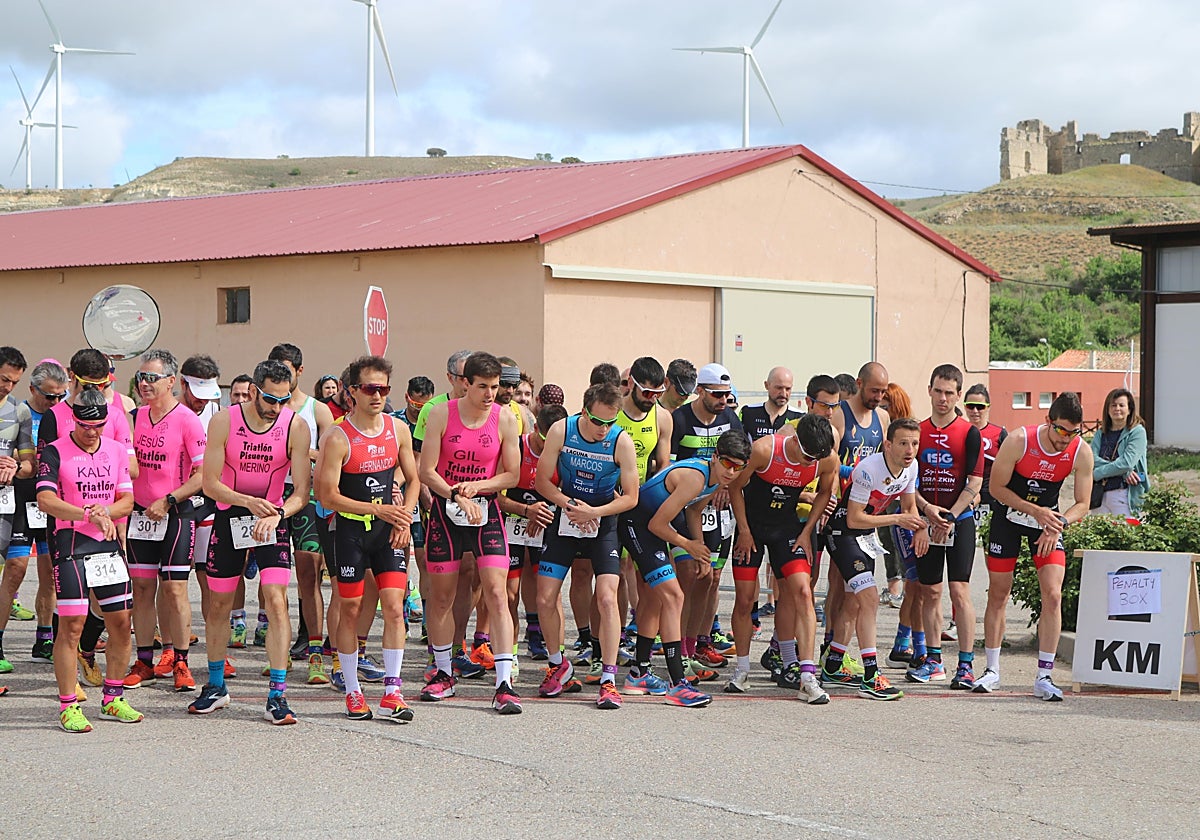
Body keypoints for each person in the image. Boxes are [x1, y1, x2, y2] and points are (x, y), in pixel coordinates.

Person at [188, 360, 312, 723]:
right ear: (254, 391)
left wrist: (278, 513)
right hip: (231, 515)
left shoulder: (296, 426)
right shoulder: (225, 421)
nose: (276, 408)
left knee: (276, 601)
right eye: (270, 399)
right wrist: (246, 502)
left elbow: (302, 491)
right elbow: (210, 482)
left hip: (272, 518)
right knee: (218, 606)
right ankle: (215, 685)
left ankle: (277, 694)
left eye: (284, 400)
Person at [314, 355, 420, 722]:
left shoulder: (398, 429)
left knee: (394, 607)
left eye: (384, 389)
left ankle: (392, 691)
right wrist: (378, 511)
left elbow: (414, 478)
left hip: (388, 531)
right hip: (351, 532)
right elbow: (327, 496)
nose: (377, 396)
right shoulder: (338, 437)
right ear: (352, 392)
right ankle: (353, 689)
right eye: (370, 389)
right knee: (352, 610)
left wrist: (403, 516)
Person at [417, 352, 522, 713]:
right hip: (447, 513)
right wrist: (455, 495)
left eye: (495, 387)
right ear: (465, 383)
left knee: (496, 592)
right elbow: (426, 470)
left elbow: (512, 474)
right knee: (442, 598)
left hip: (486, 511)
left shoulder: (505, 419)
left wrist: (476, 488)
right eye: (483, 387)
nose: (491, 394)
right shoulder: (441, 415)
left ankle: (505, 683)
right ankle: (444, 673)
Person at [618, 430, 751, 706]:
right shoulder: (696, 478)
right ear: (715, 457)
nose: (731, 472)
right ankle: (677, 683)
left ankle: (638, 672)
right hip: (638, 525)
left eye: (739, 468)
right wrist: (689, 546)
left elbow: (693, 512)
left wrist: (700, 550)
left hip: (650, 526)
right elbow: (657, 524)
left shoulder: (714, 479)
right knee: (674, 596)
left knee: (655, 599)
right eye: (727, 463)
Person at [36, 388, 143, 731]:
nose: (92, 432)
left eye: (98, 425)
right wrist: (87, 514)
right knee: (72, 627)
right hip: (70, 544)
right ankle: (68, 705)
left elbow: (127, 500)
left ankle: (112, 699)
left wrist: (106, 512)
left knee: (122, 624)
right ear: (75, 421)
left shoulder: (114, 451)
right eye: (85, 426)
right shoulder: (55, 452)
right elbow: (46, 501)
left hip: (106, 545)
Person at [977, 392, 1093, 701]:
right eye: (1060, 431)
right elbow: (996, 488)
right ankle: (992, 670)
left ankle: (1044, 675)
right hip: (1009, 517)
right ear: (1048, 421)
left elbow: (1083, 504)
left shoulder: (1081, 452)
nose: (1065, 439)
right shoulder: (1018, 440)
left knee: (1053, 595)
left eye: (1073, 432)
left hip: (1048, 525)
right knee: (999, 591)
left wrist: (1058, 523)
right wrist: (1036, 512)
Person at [534, 382, 640, 709]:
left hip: (602, 519)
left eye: (611, 422)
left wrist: (593, 512)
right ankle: (558, 665)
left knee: (607, 598)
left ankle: (608, 679)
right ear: (584, 411)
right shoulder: (560, 430)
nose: (603, 430)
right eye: (598, 422)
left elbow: (631, 498)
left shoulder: (620, 441)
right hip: (567, 514)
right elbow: (542, 482)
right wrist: (571, 505)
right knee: (545, 596)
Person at [729, 412, 838, 703]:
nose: (810, 463)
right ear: (795, 441)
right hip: (752, 526)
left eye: (815, 459)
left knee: (803, 592)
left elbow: (826, 492)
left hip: (787, 528)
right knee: (745, 598)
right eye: (806, 457)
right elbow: (735, 486)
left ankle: (806, 674)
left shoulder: (826, 459)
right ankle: (741, 670)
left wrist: (807, 531)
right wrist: (743, 530)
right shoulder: (765, 449)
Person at [822, 418, 927, 700]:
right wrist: (897, 519)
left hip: (866, 535)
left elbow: (909, 506)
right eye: (903, 443)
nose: (909, 450)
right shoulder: (869, 469)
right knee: (868, 596)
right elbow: (855, 518)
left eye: (914, 444)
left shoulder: (911, 467)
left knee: (855, 602)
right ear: (888, 445)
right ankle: (871, 675)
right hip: (843, 531)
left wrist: (920, 528)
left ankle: (832, 666)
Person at [122, 350, 207, 693]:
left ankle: (182, 662)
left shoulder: (187, 419)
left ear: (172, 381)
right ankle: (143, 659)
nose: (144, 383)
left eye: (152, 378)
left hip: (174, 512)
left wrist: (169, 499)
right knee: (141, 589)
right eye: (140, 377)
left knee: (174, 589)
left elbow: (203, 475)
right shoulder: (134, 416)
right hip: (140, 513)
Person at [905, 364, 983, 690]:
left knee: (959, 592)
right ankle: (933, 660)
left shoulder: (969, 432)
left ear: (958, 395)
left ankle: (965, 665)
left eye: (950, 393)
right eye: (938, 391)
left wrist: (949, 516)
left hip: (958, 521)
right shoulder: (917, 432)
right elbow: (907, 482)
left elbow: (975, 482)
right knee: (929, 592)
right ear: (929, 390)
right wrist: (926, 512)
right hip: (925, 521)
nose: (943, 398)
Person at [267, 343, 335, 686]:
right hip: (272, 499)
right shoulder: (264, 408)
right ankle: (279, 653)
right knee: (273, 582)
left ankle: (315, 654)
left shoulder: (317, 410)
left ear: (300, 371)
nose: (282, 374)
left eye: (287, 369)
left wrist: (300, 449)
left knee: (309, 577)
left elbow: (330, 456)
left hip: (306, 498)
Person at [671, 363, 744, 680]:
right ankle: (679, 652)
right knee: (687, 575)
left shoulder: (730, 418)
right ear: (699, 390)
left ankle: (696, 644)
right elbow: (669, 466)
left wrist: (726, 486)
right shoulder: (680, 419)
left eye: (727, 394)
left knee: (710, 578)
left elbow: (741, 459)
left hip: (719, 508)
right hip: (684, 506)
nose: (723, 400)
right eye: (716, 394)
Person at [5, 360, 68, 665]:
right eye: (49, 397)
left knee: (50, 572)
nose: (55, 403)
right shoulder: (18, 412)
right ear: (32, 389)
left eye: (61, 396)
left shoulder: (64, 415)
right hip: (19, 498)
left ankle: (44, 637)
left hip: (50, 499)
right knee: (16, 568)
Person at [497, 405, 567, 663]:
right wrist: (527, 511)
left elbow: (567, 494)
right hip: (513, 521)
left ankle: (557, 660)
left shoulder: (564, 451)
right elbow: (496, 497)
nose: (553, 447)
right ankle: (510, 656)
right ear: (536, 428)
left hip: (545, 524)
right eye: (548, 440)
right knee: (509, 593)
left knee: (551, 593)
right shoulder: (517, 445)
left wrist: (544, 512)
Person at [0, 347, 35, 674]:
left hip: (9, 503)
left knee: (16, 568)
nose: (7, 387)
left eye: (14, 382)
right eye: (3, 379)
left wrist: (17, 465)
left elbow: (30, 463)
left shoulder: (19, 412)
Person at [1090, 388, 1148, 518]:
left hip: (1125, 494)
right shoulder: (1101, 433)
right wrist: (1123, 472)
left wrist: (1096, 473)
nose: (1117, 408)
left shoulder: (1137, 432)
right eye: (1113, 405)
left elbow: (1126, 463)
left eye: (1121, 405)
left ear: (1129, 409)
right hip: (1099, 494)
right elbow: (1092, 459)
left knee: (1127, 535)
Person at [963, 384, 1006, 509]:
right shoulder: (959, 432)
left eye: (980, 407)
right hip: (965, 497)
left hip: (993, 498)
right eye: (970, 406)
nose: (975, 411)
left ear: (988, 408)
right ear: (965, 407)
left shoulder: (999, 433)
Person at [739, 367, 801, 440]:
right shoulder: (748, 412)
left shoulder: (800, 417)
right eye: (779, 388)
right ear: (766, 385)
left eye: (788, 389)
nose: (784, 393)